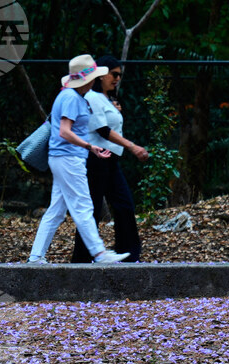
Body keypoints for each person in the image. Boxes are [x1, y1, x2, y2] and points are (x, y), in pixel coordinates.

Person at [27, 55, 130, 265]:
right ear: (88, 80)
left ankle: (36, 257)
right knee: (83, 206)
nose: (95, 81)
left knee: (56, 211)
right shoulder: (71, 98)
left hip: (65, 158)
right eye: (93, 77)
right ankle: (100, 254)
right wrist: (89, 146)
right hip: (68, 158)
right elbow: (65, 131)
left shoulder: (73, 97)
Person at [71, 55, 149, 263]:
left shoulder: (107, 99)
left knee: (124, 204)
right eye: (114, 74)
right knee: (93, 209)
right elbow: (103, 130)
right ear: (101, 74)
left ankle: (128, 253)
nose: (117, 79)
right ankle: (82, 257)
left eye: (119, 76)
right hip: (97, 158)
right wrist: (133, 147)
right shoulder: (92, 97)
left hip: (110, 160)